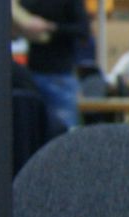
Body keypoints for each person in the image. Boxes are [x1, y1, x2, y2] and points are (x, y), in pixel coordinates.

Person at [18, 0, 89, 128]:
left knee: (64, 128)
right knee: (35, 130)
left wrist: (49, 27)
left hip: (59, 74)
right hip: (33, 72)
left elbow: (83, 30)